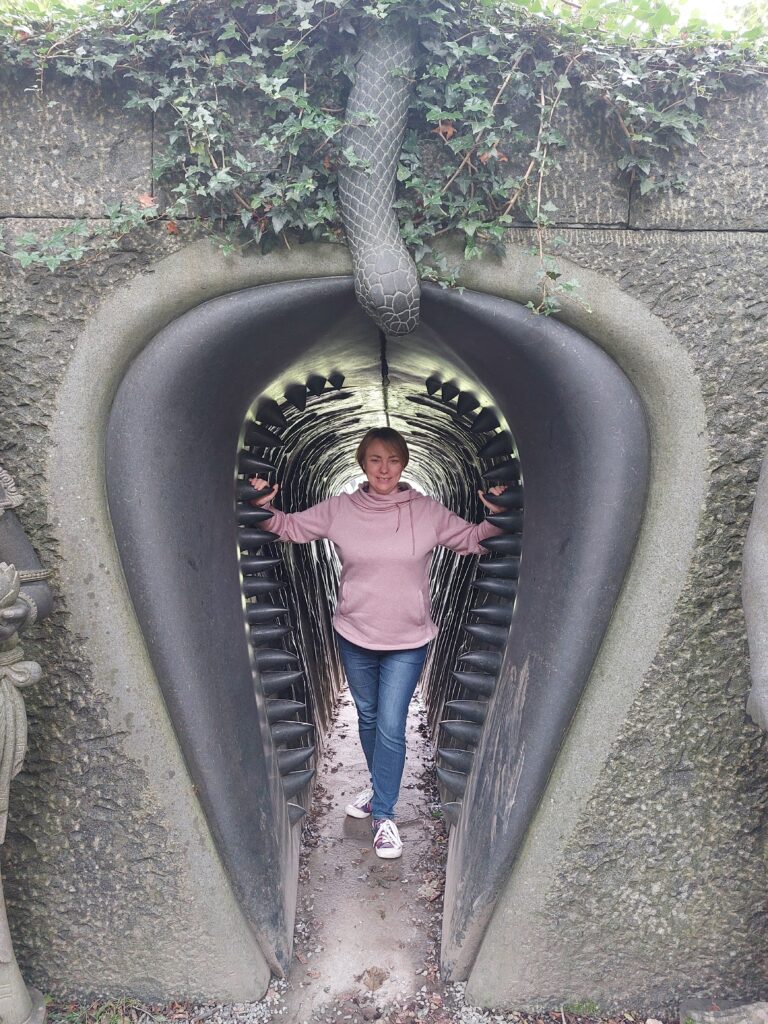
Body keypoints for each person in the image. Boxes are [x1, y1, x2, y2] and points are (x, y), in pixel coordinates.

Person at [249, 426, 506, 860]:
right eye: (374, 460)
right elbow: (288, 528)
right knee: (368, 718)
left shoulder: (426, 511)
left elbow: (472, 539)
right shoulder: (339, 509)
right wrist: (259, 505)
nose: (383, 469)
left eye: (392, 460)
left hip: (408, 638)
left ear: (404, 463)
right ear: (361, 463)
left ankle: (385, 815)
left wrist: (501, 512)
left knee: (390, 722)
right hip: (355, 633)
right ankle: (379, 788)